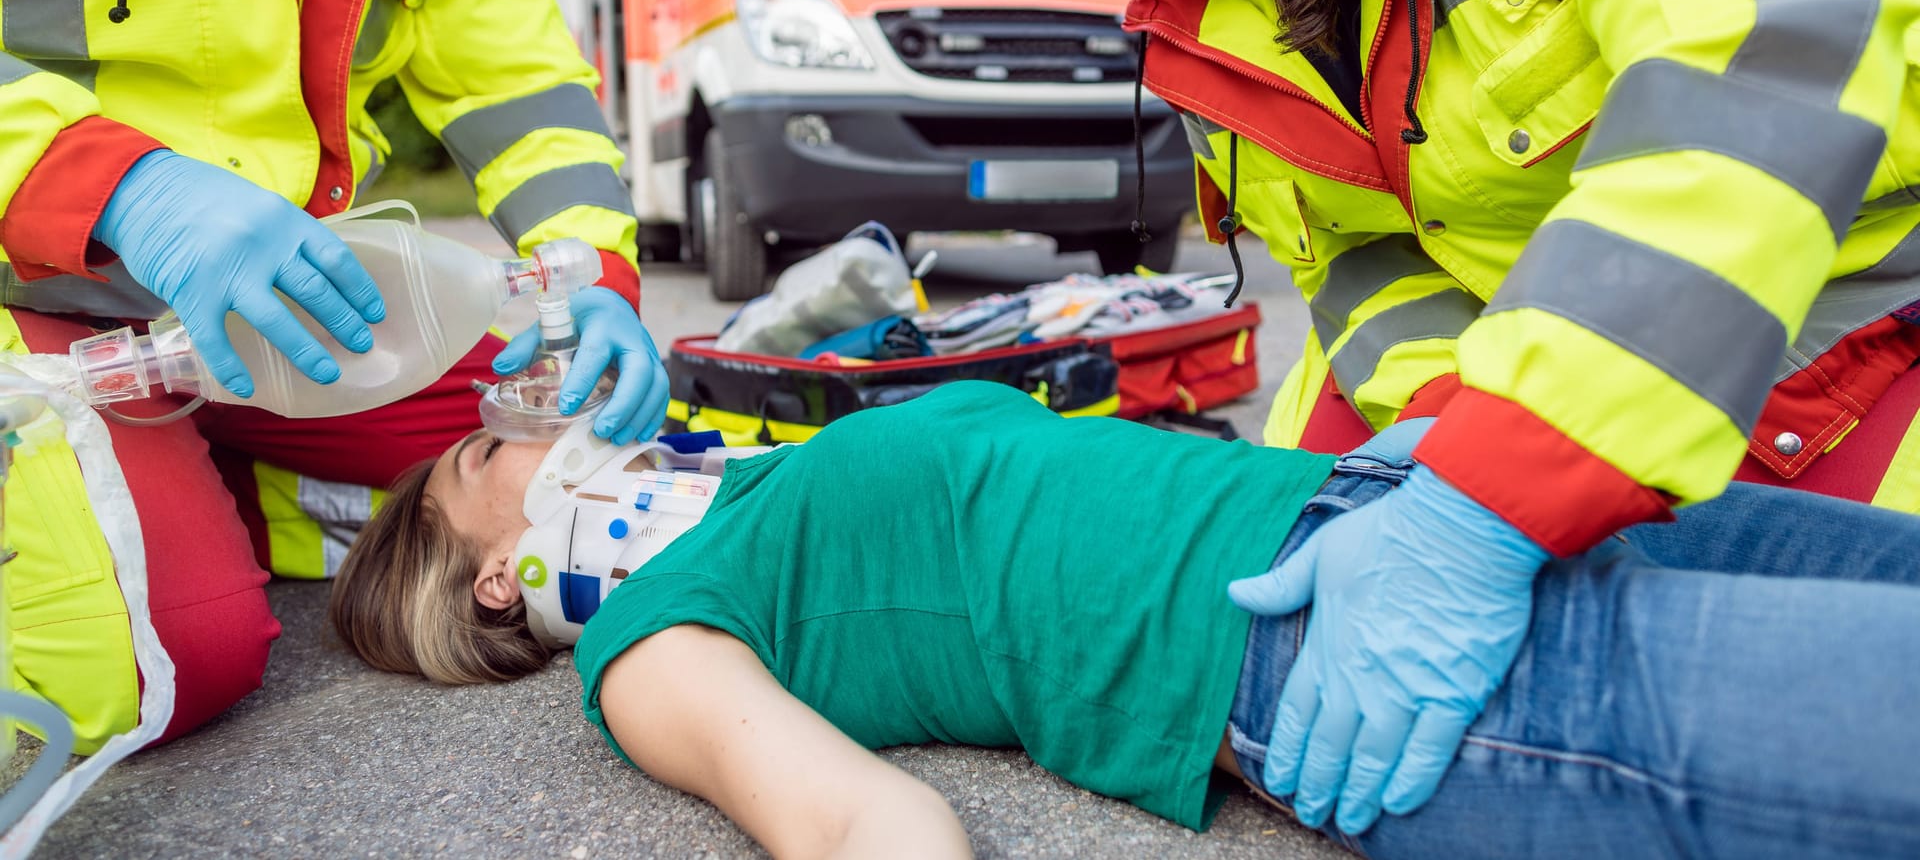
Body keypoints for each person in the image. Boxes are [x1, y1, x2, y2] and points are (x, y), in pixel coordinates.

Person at [987, 0, 1920, 834]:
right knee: (1277, 567)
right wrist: (1435, 428)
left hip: (1840, 325)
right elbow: (1352, 247)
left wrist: (1483, 499)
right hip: (1505, 355)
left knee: (1799, 699)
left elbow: (1763, 74)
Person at [332, 382, 1920, 858]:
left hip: (1438, 516)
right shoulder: (647, 639)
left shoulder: (755, 487)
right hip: (1323, 660)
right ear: (494, 571)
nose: (532, 427)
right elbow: (862, 829)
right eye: (493, 451)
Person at [0, 0, 666, 758]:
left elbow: (513, 73)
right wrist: (117, 188)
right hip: (41, 281)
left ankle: (195, 480)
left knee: (561, 417)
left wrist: (595, 269)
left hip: (277, 296)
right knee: (172, 653)